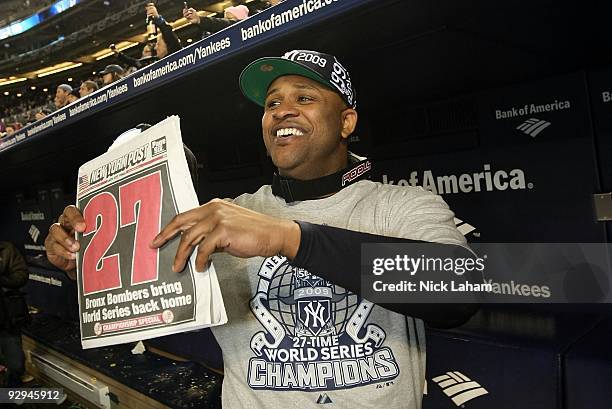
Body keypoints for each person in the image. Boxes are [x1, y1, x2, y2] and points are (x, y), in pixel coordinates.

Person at [45, 50, 476, 408]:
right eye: (271, 103)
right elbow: (141, 297)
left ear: (346, 122)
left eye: (304, 98)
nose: (281, 110)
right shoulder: (225, 215)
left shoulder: (403, 204)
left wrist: (288, 237)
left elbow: (459, 294)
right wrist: (82, 260)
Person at [0, 241, 29, 388]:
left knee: (16, 363)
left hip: (6, 318)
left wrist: (3, 280)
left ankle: (13, 391)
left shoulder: (6, 249)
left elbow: (22, 275)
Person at [183, 4, 249, 39]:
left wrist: (199, 19)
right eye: (225, 18)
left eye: (230, 19)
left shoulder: (242, 25)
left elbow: (224, 24)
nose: (226, 20)